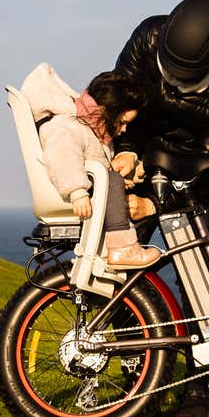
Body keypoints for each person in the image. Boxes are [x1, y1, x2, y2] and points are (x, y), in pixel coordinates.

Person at [110, 0, 209, 417]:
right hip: (137, 165)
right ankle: (137, 375)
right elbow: (120, 102)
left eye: (183, 79)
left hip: (193, 177)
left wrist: (158, 202)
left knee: (198, 288)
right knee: (114, 268)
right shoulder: (146, 38)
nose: (170, 84)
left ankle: (195, 394)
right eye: (167, 70)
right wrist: (127, 152)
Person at [20, 63, 160, 268]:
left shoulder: (89, 129)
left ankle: (121, 250)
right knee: (111, 180)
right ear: (106, 111)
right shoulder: (67, 125)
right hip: (74, 193)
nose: (123, 130)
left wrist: (130, 174)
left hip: (86, 189)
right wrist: (77, 191)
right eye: (122, 122)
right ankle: (122, 248)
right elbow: (62, 155)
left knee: (115, 181)